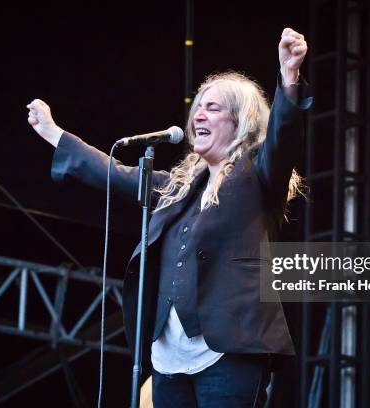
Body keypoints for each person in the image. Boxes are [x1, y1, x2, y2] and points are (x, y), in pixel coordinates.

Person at [27, 27, 312, 407]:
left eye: (213, 108)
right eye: (198, 107)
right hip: (169, 356)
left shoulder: (258, 176)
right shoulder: (174, 188)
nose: (199, 114)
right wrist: (54, 134)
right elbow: (113, 173)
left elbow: (282, 137)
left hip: (228, 351)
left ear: (240, 122)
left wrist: (289, 76)